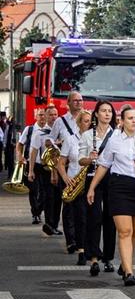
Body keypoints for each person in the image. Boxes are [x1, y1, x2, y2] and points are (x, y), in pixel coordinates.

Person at [87, 107, 135, 286]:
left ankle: (125, 263)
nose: (134, 121)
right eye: (130, 118)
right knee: (125, 231)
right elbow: (104, 165)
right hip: (119, 186)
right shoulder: (114, 141)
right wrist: (92, 188)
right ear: (122, 121)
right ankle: (129, 272)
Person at [79, 101, 117, 275]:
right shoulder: (87, 135)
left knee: (111, 219)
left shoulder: (117, 134)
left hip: (112, 180)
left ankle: (108, 257)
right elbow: (80, 160)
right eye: (103, 111)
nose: (107, 114)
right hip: (92, 178)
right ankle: (93, 258)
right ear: (96, 114)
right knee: (93, 218)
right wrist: (90, 158)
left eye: (110, 111)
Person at [56, 110, 91, 257]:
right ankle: (71, 241)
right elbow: (61, 163)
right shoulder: (70, 140)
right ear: (79, 123)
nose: (88, 124)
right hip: (72, 180)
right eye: (85, 121)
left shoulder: (93, 139)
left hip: (87, 181)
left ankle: (83, 242)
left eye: (90, 121)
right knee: (69, 212)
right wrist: (65, 179)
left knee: (83, 214)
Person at [28, 105, 61, 236]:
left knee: (59, 198)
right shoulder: (39, 133)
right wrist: (31, 170)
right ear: (45, 116)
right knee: (49, 197)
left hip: (60, 169)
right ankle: (49, 224)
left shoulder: (61, 131)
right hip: (45, 168)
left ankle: (55, 225)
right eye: (51, 115)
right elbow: (33, 152)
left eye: (55, 114)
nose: (53, 117)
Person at [17, 109, 46, 225]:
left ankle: (38, 210)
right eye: (40, 115)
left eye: (44, 115)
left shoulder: (50, 130)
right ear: (35, 116)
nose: (42, 117)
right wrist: (19, 155)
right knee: (33, 190)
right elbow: (20, 144)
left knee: (44, 193)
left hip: (45, 165)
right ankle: (35, 214)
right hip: (31, 164)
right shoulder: (29, 129)